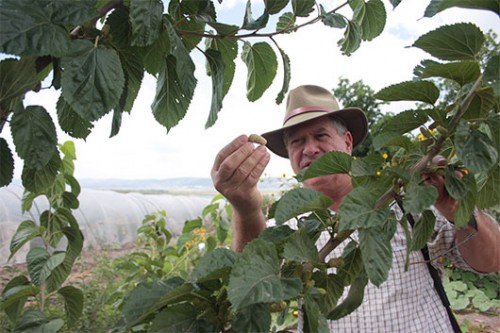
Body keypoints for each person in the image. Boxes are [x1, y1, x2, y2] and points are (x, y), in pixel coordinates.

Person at [211, 84, 500, 332]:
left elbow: (491, 261)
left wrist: (458, 209)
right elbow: (250, 294)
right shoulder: (289, 228)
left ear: (347, 142)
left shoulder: (405, 204)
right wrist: (246, 209)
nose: (309, 149)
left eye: (321, 136)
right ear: (289, 156)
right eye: (297, 142)